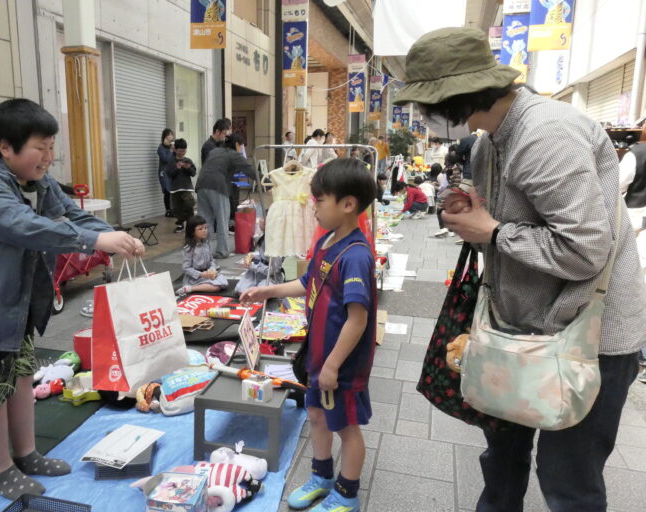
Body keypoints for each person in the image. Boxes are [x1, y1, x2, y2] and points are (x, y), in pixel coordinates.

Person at [394, 27, 646, 511]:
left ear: (454, 97)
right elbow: (516, 216)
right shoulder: (492, 140)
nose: (425, 115)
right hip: (519, 331)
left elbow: (585, 250)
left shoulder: (545, 134)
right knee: (502, 458)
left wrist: (492, 231)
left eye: (426, 102)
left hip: (585, 342)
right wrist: (474, 208)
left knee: (569, 482)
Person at [0, 99, 145, 500]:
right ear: (5, 148)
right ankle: (2, 469)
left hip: (17, 302)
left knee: (21, 377)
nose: (48, 158)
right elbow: (27, 228)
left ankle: (27, 453)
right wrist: (98, 240)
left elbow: (71, 214)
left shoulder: (36, 180)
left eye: (52, 147)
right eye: (39, 148)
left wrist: (114, 234)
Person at [240, 158, 376, 512]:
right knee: (316, 414)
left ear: (347, 205)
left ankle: (347, 493)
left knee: (345, 426)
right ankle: (322, 476)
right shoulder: (327, 241)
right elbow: (307, 283)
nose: (312, 206)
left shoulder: (356, 255)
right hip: (319, 355)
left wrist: (332, 365)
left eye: (319, 200)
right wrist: (267, 292)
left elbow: (357, 320)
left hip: (340, 364)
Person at [196, 133, 255, 259]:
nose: (242, 149)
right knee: (222, 219)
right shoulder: (233, 154)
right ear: (237, 145)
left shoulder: (215, 151)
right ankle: (222, 251)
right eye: (242, 146)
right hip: (217, 186)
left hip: (201, 185)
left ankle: (204, 252)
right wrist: (268, 178)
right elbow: (249, 169)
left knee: (205, 222)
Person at [177, 215, 228, 296]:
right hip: (195, 277)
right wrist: (201, 274)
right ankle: (189, 288)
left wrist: (212, 270)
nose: (204, 231)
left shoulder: (206, 243)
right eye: (200, 229)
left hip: (207, 273)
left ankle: (202, 286)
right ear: (192, 232)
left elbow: (211, 260)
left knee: (224, 282)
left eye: (205, 228)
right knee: (216, 287)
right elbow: (185, 268)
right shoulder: (190, 247)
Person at [234, 217, 284, 296]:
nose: (261, 220)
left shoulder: (276, 242)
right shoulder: (263, 237)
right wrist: (252, 256)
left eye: (264, 219)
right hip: (256, 274)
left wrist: (253, 266)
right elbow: (261, 255)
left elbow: (273, 270)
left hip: (270, 278)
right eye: (262, 218)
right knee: (240, 290)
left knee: (258, 294)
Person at [166, 138, 196, 233]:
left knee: (188, 204)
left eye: (184, 150)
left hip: (186, 187)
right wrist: (177, 168)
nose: (182, 152)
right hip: (175, 189)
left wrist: (188, 168)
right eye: (180, 150)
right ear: (175, 149)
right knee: (177, 209)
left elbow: (193, 173)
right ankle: (180, 223)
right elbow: (169, 174)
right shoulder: (171, 161)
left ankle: (191, 223)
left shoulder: (188, 161)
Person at [158, 128, 175, 217]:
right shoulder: (161, 148)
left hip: (171, 171)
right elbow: (166, 159)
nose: (170, 137)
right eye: (168, 135)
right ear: (164, 136)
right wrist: (171, 151)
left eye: (171, 135)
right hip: (163, 172)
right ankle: (168, 210)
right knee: (167, 191)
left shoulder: (172, 147)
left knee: (172, 191)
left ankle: (173, 209)